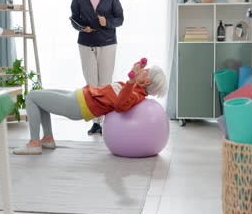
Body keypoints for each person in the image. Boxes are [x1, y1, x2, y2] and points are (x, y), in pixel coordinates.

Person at [13, 59, 167, 155]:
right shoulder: (133, 89)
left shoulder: (136, 95)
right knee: (39, 96)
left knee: (32, 97)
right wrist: (134, 75)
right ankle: (47, 139)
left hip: (78, 105)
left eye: (146, 71)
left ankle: (34, 143)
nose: (143, 70)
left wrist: (131, 81)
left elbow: (120, 105)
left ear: (147, 82)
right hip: (80, 96)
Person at [70, 0, 124, 135]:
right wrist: (81, 27)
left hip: (107, 42)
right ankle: (96, 123)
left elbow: (120, 18)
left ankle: (108, 122)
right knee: (92, 84)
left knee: (105, 83)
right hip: (86, 43)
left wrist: (106, 21)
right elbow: (73, 17)